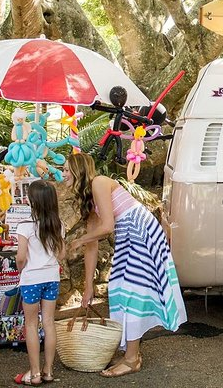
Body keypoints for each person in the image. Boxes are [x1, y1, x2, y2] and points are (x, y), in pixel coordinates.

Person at [66, 153, 187, 377]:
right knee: (119, 288)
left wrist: (79, 240)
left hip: (141, 232)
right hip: (128, 237)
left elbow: (108, 226)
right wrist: (88, 286)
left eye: (66, 170)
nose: (63, 175)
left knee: (133, 289)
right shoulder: (88, 200)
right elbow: (92, 245)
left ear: (77, 170)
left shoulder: (99, 183)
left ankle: (132, 359)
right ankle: (132, 352)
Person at [13, 180, 65, 386]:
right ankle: (49, 371)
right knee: (49, 323)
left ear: (33, 201)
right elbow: (62, 253)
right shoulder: (58, 224)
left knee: (32, 324)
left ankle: (35, 374)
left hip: (31, 279)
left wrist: (20, 270)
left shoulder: (25, 225)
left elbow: (20, 257)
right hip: (52, 277)